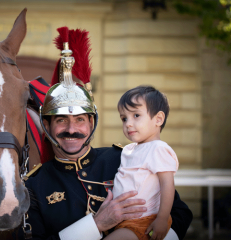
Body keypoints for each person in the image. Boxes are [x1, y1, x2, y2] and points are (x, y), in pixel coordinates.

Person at [21, 27, 193, 240]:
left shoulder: (124, 157)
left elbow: (180, 212)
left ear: (92, 122)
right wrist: (95, 224)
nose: (72, 129)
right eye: (61, 120)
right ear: (46, 125)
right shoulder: (33, 185)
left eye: (80, 119)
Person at [105, 86, 178, 240]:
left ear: (158, 119)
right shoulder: (129, 149)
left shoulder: (158, 148)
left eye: (136, 115)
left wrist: (162, 219)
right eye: (124, 118)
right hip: (122, 221)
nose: (128, 123)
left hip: (143, 222)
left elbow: (167, 185)